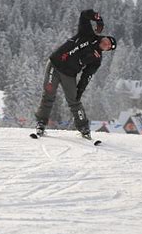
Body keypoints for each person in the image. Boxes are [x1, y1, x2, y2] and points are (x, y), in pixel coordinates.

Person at [34, 9, 117, 139]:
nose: (105, 44)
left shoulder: (97, 59)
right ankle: (41, 123)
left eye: (108, 46)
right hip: (54, 65)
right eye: (107, 40)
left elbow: (86, 76)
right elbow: (84, 14)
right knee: (48, 94)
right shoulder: (87, 34)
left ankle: (83, 127)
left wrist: (80, 89)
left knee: (74, 101)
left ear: (107, 50)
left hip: (69, 74)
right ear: (104, 37)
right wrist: (98, 19)